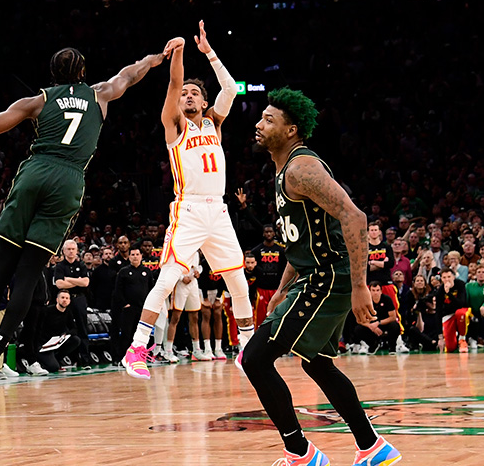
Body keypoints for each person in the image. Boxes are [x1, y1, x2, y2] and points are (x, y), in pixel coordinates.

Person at [0, 43, 168, 396]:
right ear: (83, 73)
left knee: (3, 268)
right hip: (70, 180)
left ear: (53, 75)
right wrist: (157, 58)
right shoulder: (101, 94)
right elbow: (132, 73)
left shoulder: (39, 101)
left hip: (37, 172)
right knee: (29, 274)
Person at [242, 88, 400, 466]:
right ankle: (373, 447)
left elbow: (354, 216)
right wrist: (282, 289)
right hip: (316, 276)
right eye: (261, 117)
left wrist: (361, 286)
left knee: (255, 359)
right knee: (316, 362)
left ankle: (300, 452)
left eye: (268, 120)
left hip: (328, 278)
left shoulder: (301, 168)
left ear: (292, 130)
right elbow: (305, 239)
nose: (258, 124)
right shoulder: (284, 171)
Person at [122, 25, 256, 378]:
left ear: (204, 101)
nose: (188, 96)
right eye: (185, 94)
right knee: (166, 280)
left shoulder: (214, 123)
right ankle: (136, 348)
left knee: (239, 283)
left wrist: (209, 51)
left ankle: (247, 348)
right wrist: (179, 51)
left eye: (194, 93)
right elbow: (172, 84)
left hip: (219, 210)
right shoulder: (175, 126)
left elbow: (230, 88)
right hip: (190, 209)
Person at [52, 239, 92, 360]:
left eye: (73, 249)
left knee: (82, 328)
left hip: (79, 299)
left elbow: (85, 283)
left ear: (77, 251)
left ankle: (85, 359)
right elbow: (59, 284)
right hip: (64, 300)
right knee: (64, 329)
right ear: (63, 251)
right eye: (68, 249)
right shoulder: (59, 266)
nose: (70, 252)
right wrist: (77, 281)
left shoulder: (81, 265)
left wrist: (68, 279)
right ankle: (60, 358)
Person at [111, 247, 154, 356]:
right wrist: (125, 304)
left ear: (141, 256)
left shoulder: (147, 271)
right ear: (129, 257)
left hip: (142, 308)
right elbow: (118, 290)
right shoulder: (123, 271)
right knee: (126, 334)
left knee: (140, 334)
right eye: (133, 255)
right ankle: (123, 357)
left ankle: (140, 356)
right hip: (129, 309)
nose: (135, 257)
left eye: (137, 254)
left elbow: (151, 289)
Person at [249, 225, 287, 327]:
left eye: (270, 232)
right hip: (261, 289)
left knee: (278, 317)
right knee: (260, 319)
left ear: (274, 233)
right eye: (266, 232)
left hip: (277, 289)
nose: (268, 234)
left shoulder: (281, 251)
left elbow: (285, 270)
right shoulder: (256, 251)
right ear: (263, 234)